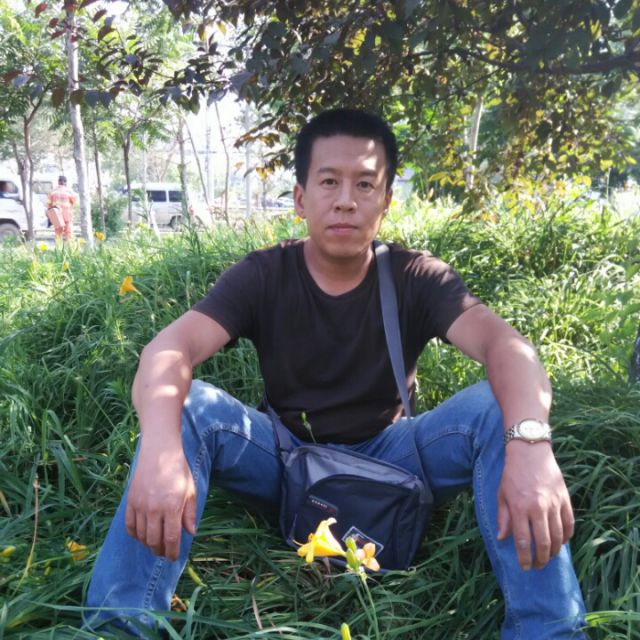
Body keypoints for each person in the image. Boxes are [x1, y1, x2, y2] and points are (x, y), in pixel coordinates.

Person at [85, 109, 587, 638]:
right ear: (301, 198)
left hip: (394, 454)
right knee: (188, 407)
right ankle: (119, 626)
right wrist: (161, 447)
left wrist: (531, 447)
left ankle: (550, 630)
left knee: (496, 408)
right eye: (329, 182)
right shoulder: (264, 274)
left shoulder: (415, 276)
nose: (346, 200)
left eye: (365, 184)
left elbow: (507, 346)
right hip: (285, 457)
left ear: (386, 201)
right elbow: (168, 350)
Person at [47, 175, 75, 241]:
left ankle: (58, 247)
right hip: (67, 215)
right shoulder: (69, 191)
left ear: (58, 182)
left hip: (57, 215)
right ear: (65, 182)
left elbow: (49, 204)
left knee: (58, 233)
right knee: (68, 233)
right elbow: (73, 202)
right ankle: (70, 246)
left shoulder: (52, 191)